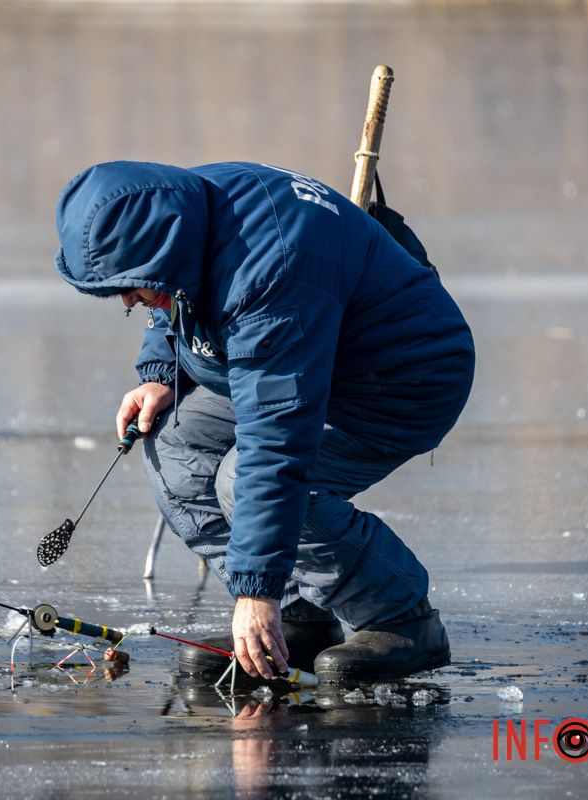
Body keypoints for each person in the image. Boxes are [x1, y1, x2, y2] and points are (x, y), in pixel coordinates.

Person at [53, 161, 474, 685]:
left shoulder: (269, 268)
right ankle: (296, 620)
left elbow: (277, 444)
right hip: (307, 362)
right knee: (177, 443)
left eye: (134, 285)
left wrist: (255, 590)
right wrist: (162, 372)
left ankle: (401, 619)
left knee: (242, 481)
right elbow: (176, 297)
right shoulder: (182, 213)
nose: (128, 299)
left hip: (400, 381)